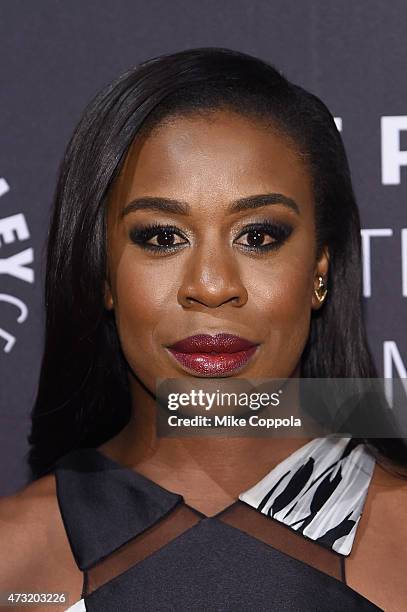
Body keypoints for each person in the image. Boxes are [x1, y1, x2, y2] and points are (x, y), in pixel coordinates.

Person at [0, 47, 406, 612]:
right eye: (162, 236)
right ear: (102, 272)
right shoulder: (12, 564)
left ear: (320, 267)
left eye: (259, 235)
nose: (212, 286)